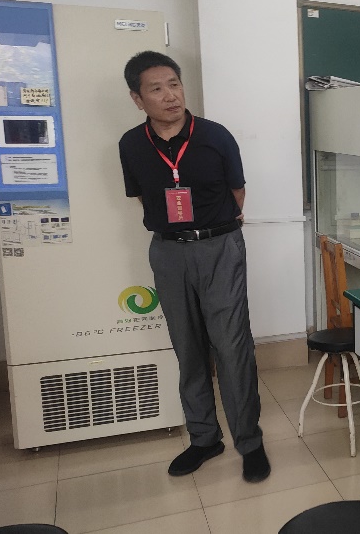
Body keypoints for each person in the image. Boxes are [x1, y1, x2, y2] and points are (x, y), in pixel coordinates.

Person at [118, 51, 270, 483]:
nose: (170, 95)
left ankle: (249, 442)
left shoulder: (214, 136)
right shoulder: (131, 144)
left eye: (175, 84)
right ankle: (204, 438)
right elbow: (143, 197)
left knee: (232, 346)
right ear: (137, 99)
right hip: (168, 252)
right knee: (187, 346)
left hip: (219, 247)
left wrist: (212, 228)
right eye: (156, 88)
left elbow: (237, 194)